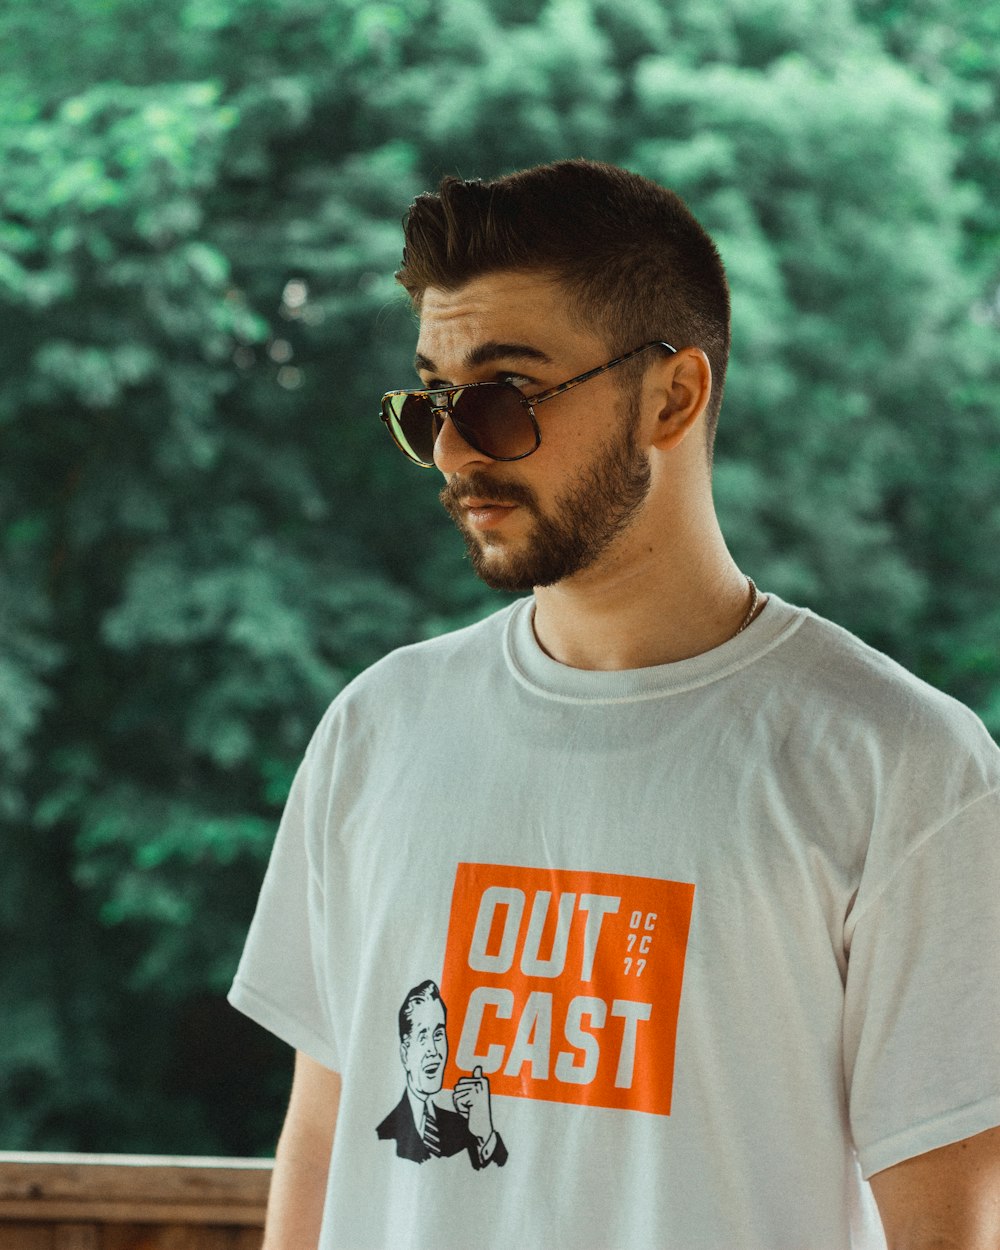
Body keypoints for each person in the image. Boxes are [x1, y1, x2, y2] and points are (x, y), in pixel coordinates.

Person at [228, 160, 1000, 1249]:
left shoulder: (897, 761)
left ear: (671, 395)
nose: (452, 450)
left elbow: (945, 1230)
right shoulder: (377, 724)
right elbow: (323, 1141)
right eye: (431, 402)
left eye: (500, 398)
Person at [375, 979, 507, 1168]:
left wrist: (485, 1132)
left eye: (438, 1035)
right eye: (422, 1037)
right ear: (405, 1053)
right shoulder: (384, 1134)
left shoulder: (463, 1126)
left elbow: (503, 1177)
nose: (434, 1050)